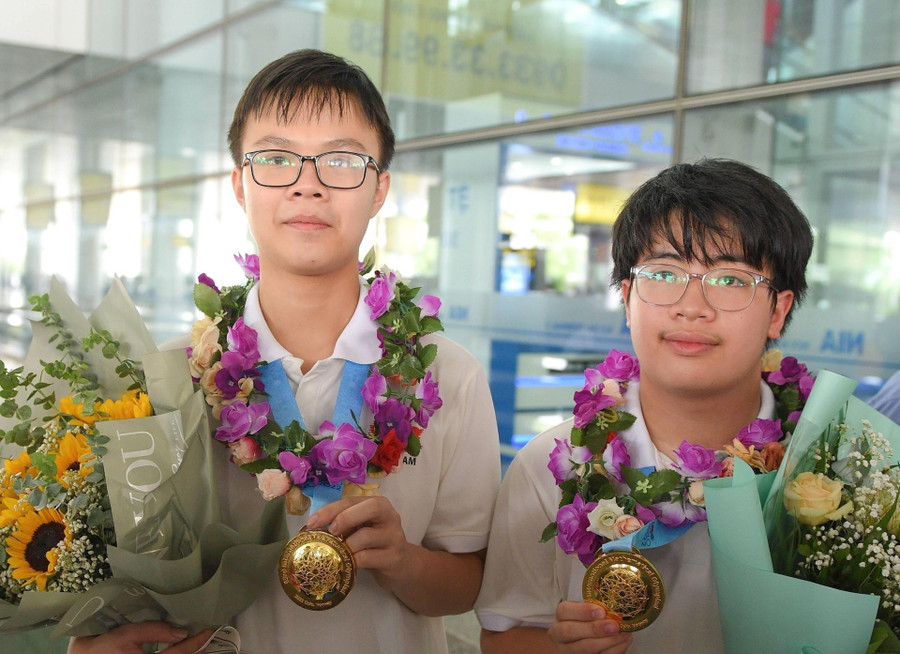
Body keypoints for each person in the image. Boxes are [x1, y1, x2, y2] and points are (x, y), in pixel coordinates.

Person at [70, 49, 500, 654]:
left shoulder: (445, 375)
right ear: (239, 186)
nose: (308, 183)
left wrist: (403, 560)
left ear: (379, 189)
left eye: (341, 160)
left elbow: (467, 584)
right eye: (275, 158)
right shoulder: (165, 380)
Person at [474, 158, 814, 653]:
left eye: (729, 279)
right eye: (664, 273)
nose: (692, 306)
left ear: (778, 311)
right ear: (627, 297)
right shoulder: (550, 465)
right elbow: (504, 634)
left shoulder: (835, 467)